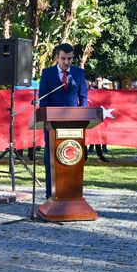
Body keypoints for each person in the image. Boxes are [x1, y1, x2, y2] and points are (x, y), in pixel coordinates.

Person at [38, 43, 88, 198]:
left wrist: (83, 117)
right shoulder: (47, 73)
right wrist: (47, 122)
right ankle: (50, 195)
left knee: (72, 156)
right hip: (52, 126)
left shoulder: (79, 74)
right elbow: (43, 99)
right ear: (57, 58)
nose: (66, 62)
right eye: (63, 58)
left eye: (70, 59)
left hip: (74, 127)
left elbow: (83, 97)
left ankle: (72, 195)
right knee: (51, 159)